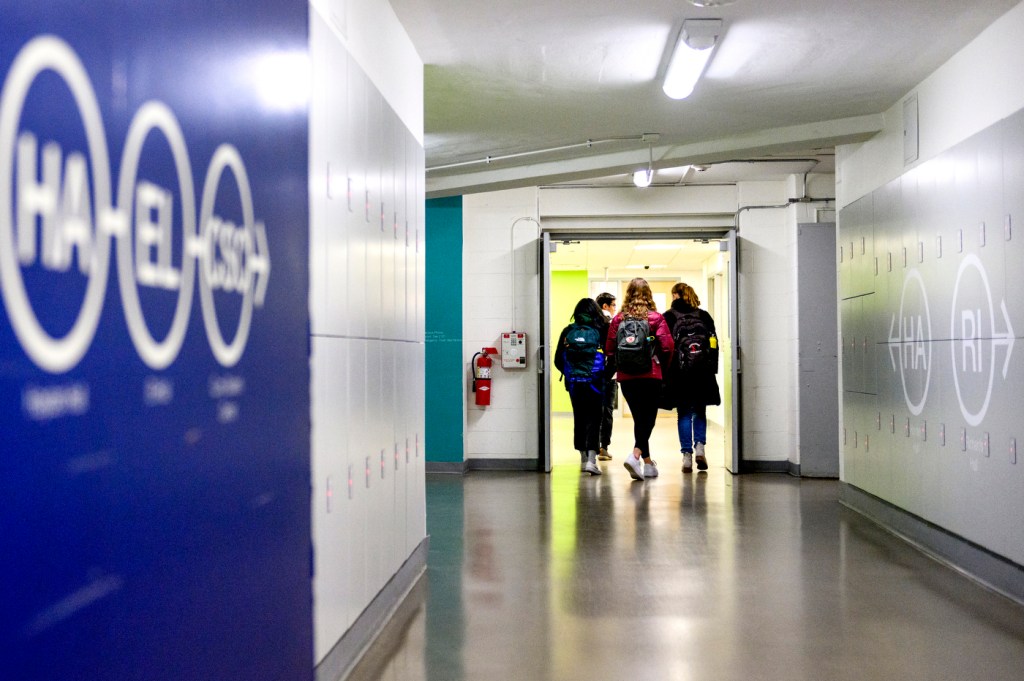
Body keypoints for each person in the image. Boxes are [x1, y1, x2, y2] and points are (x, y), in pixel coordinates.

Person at [605, 278, 673, 481]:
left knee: (639, 419)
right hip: (651, 374)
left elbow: (609, 349)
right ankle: (635, 455)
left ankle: (649, 464)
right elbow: (668, 347)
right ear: (649, 295)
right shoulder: (656, 318)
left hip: (626, 376)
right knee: (647, 419)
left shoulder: (618, 319)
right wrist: (663, 367)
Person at [663, 282, 721, 473]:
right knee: (700, 411)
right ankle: (700, 448)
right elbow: (713, 343)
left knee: (684, 413)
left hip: (679, 373)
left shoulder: (669, 317)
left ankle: (686, 456)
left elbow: (664, 347)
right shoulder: (703, 316)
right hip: (702, 371)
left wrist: (666, 372)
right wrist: (712, 367)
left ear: (676, 296)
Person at [554, 298, 610, 475]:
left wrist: (571, 374)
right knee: (595, 418)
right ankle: (592, 459)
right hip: (595, 382)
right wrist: (604, 375)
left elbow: (557, 359)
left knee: (579, 417)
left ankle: (583, 459)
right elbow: (612, 356)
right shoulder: (602, 330)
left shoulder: (568, 331)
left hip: (575, 383)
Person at [595, 292, 617, 461]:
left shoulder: (589, 323)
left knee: (592, 411)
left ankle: (591, 448)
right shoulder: (610, 324)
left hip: (590, 375)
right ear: (605, 306)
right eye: (613, 305)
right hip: (608, 375)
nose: (615, 308)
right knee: (607, 411)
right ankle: (604, 447)